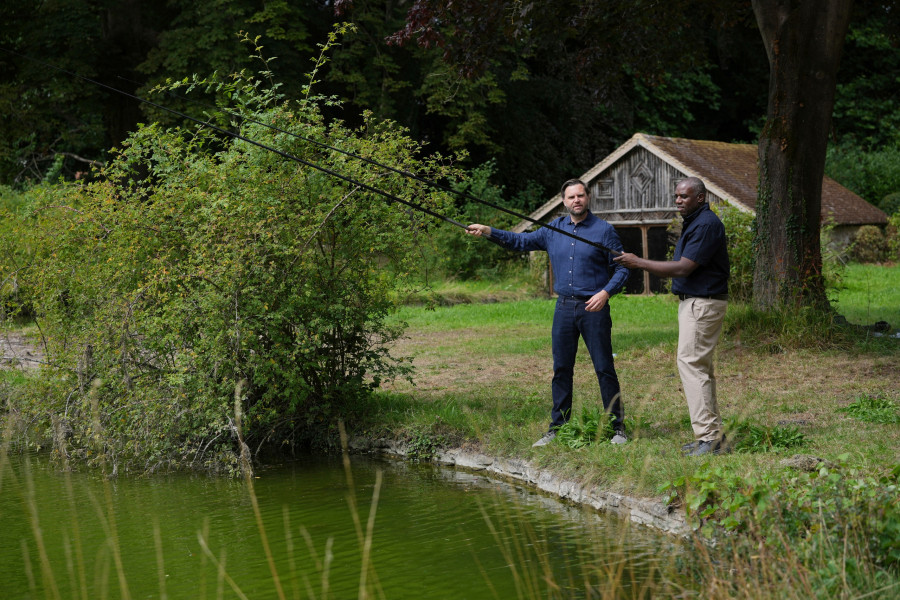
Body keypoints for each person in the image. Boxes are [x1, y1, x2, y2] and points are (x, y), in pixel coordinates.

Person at [466, 179, 629, 447]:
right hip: (564, 308)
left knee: (603, 367)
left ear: (588, 197)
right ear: (564, 201)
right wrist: (487, 231)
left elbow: (623, 268)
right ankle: (558, 428)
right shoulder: (553, 229)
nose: (576, 200)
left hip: (594, 308)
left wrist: (606, 293)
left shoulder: (604, 231)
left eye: (580, 195)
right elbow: (520, 241)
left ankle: (617, 428)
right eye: (571, 197)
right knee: (561, 368)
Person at [613, 177, 729, 457]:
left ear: (700, 197)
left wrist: (638, 262)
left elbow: (683, 268)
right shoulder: (696, 221)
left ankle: (709, 439)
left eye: (684, 196)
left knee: (692, 366)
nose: (678, 200)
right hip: (697, 302)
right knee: (700, 368)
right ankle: (712, 436)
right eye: (676, 196)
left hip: (702, 303)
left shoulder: (706, 224)